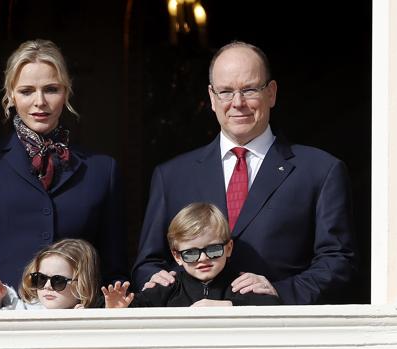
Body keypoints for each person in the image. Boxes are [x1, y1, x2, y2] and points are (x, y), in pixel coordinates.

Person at [132, 41, 357, 305]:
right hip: (191, 337)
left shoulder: (321, 170)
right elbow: (147, 264)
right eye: (225, 92)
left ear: (271, 93)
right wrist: (166, 285)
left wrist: (277, 292)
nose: (237, 103)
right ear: (212, 98)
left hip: (280, 335)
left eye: (249, 89)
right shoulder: (171, 176)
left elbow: (338, 262)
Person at [0, 39, 128, 310]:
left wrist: (98, 314)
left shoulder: (102, 170)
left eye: (51, 89)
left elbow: (115, 268)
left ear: (66, 92)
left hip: (79, 329)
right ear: (11, 96)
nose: (40, 102)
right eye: (27, 91)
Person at [103, 203, 280, 308]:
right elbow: (138, 305)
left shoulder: (241, 285)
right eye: (191, 253)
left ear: (228, 248)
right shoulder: (168, 287)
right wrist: (119, 307)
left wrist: (229, 306)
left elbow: (274, 307)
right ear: (177, 256)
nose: (203, 258)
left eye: (213, 250)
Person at [0, 239, 100, 310]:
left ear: (82, 284)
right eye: (41, 279)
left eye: (58, 281)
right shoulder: (26, 309)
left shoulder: (86, 315)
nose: (47, 286)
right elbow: (0, 322)